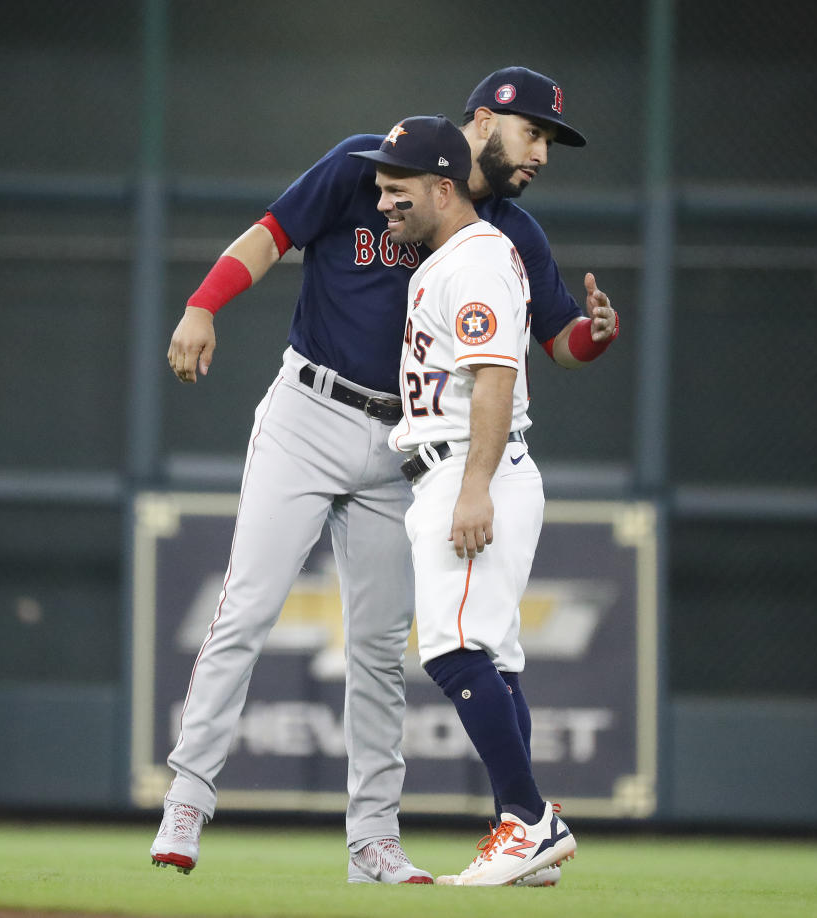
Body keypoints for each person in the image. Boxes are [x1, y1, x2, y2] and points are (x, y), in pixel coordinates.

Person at [151, 66, 618, 884]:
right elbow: (270, 233)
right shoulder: (372, 169)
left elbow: (558, 342)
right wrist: (201, 304)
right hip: (310, 410)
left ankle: (374, 839)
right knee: (247, 606)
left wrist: (595, 335)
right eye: (533, 133)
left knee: (376, 648)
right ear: (483, 122)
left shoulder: (509, 234)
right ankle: (188, 796)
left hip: (406, 446)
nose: (541, 152)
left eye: (547, 140)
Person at [350, 114, 578, 887]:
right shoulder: (454, 257)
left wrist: (473, 485)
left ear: (443, 188)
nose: (384, 203)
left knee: (452, 651)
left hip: (471, 469)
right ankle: (528, 838)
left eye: (397, 189)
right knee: (494, 658)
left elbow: (494, 378)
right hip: (463, 467)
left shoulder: (475, 261)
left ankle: (528, 821)